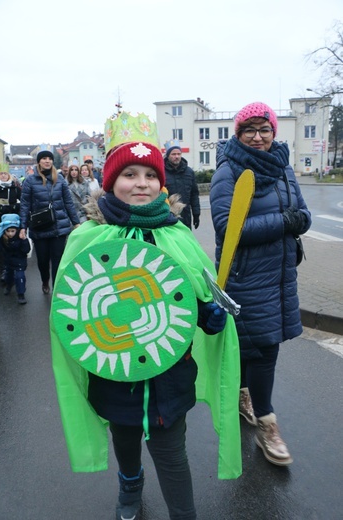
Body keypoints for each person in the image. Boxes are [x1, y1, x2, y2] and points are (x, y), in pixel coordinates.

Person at [50, 112, 242, 520]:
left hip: (169, 372)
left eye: (149, 175)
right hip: (115, 368)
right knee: (125, 438)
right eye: (130, 174)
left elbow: (191, 290)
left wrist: (205, 312)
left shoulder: (176, 233)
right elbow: (72, 308)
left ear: (162, 182)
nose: (141, 183)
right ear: (110, 182)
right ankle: (130, 484)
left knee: (172, 452)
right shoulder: (87, 237)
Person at [210, 101, 312, 466]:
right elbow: (229, 229)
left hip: (281, 273)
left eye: (264, 129)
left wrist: (294, 220)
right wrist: (286, 222)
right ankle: (267, 425)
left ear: (274, 132)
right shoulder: (229, 171)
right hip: (246, 277)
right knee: (265, 348)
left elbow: (302, 213)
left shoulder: (283, 166)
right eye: (249, 130)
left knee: (254, 346)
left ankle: (242, 393)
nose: (258, 136)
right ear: (238, 134)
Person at [19, 151, 80, 294]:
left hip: (59, 226)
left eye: (50, 159)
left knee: (58, 260)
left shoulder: (59, 178)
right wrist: (23, 226)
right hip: (40, 226)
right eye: (44, 159)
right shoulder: (30, 180)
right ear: (39, 161)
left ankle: (57, 287)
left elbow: (68, 202)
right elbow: (25, 205)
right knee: (42, 260)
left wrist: (76, 222)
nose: (47, 161)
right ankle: (45, 280)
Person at [163, 140, 200, 230]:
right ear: (168, 156)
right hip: (167, 216)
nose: (177, 156)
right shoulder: (162, 172)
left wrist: (196, 214)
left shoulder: (189, 172)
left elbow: (194, 194)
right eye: (173, 154)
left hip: (185, 215)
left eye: (179, 154)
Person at [0, 213, 30, 304]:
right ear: (4, 230)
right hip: (8, 261)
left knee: (20, 277)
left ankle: (21, 294)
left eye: (13, 231)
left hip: (20, 261)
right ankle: (9, 285)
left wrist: (24, 240)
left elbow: (26, 250)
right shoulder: (2, 238)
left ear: (17, 229)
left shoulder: (21, 237)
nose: (10, 233)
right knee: (8, 276)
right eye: (8, 231)